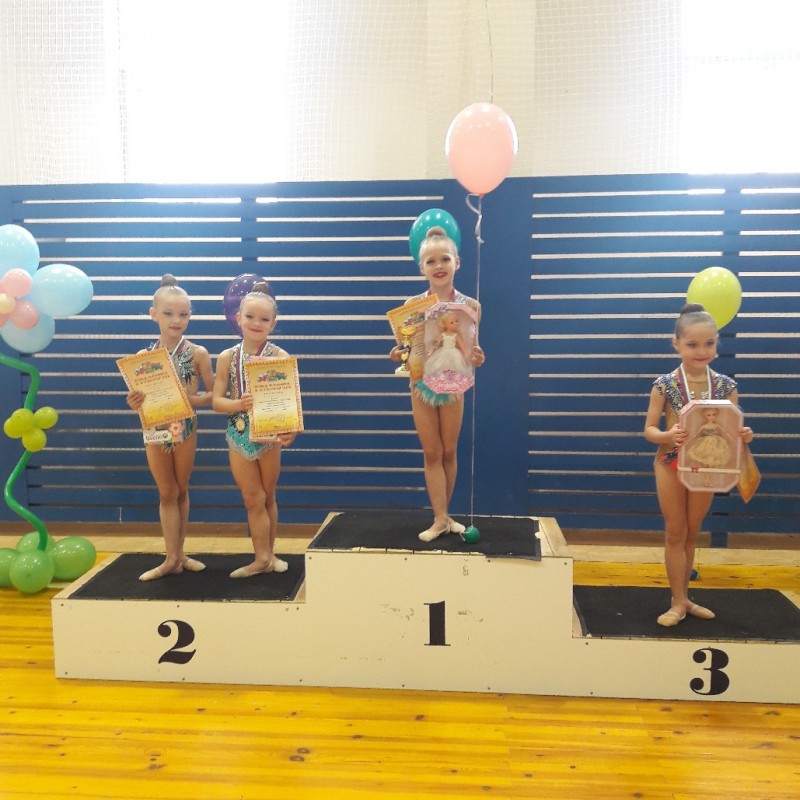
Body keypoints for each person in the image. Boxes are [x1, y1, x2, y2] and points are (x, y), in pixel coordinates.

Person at [644, 303, 753, 626]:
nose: (701, 351)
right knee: (675, 530)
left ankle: (684, 597)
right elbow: (649, 430)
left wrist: (743, 434)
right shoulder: (664, 384)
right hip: (669, 462)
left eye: (709, 343)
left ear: (717, 344)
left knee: (692, 532)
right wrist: (667, 435)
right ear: (676, 343)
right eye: (692, 344)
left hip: (707, 465)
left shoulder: (726, 387)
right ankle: (677, 601)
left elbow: (731, 429)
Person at [389, 226, 485, 542]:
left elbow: (471, 349)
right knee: (432, 451)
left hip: (454, 383)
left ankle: (444, 515)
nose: (439, 265)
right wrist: (397, 354)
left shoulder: (471, 306)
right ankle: (440, 518)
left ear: (457, 262)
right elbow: (404, 350)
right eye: (431, 261)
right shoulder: (412, 306)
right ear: (422, 268)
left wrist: (478, 357)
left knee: (449, 450)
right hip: (421, 385)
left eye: (445, 258)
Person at [125, 274, 214, 581]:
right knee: (166, 492)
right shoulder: (143, 358)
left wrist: (190, 399)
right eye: (168, 313)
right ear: (154, 314)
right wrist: (134, 401)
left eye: (183, 314)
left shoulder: (198, 353)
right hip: (156, 428)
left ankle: (179, 554)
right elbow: (139, 401)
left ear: (190, 316)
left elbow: (214, 394)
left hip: (185, 426)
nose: (177, 320)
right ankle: (171, 557)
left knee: (181, 489)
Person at [212, 283, 296, 577]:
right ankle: (261, 558)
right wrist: (238, 403)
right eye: (250, 317)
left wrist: (291, 430)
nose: (256, 323)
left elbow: (290, 401)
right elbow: (216, 401)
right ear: (238, 318)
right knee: (252, 497)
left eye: (264, 319)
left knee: (268, 496)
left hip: (270, 435)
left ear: (273, 323)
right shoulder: (227, 357)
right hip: (239, 434)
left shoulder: (280, 356)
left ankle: (268, 556)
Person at [423, 310, 472, 381]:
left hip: (454, 352)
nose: (455, 324)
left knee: (456, 366)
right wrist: (431, 349)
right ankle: (441, 378)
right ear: (444, 324)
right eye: (452, 322)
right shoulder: (443, 334)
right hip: (443, 352)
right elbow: (437, 343)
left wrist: (465, 353)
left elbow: (461, 345)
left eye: (456, 321)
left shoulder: (456, 335)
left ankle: (453, 378)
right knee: (440, 364)